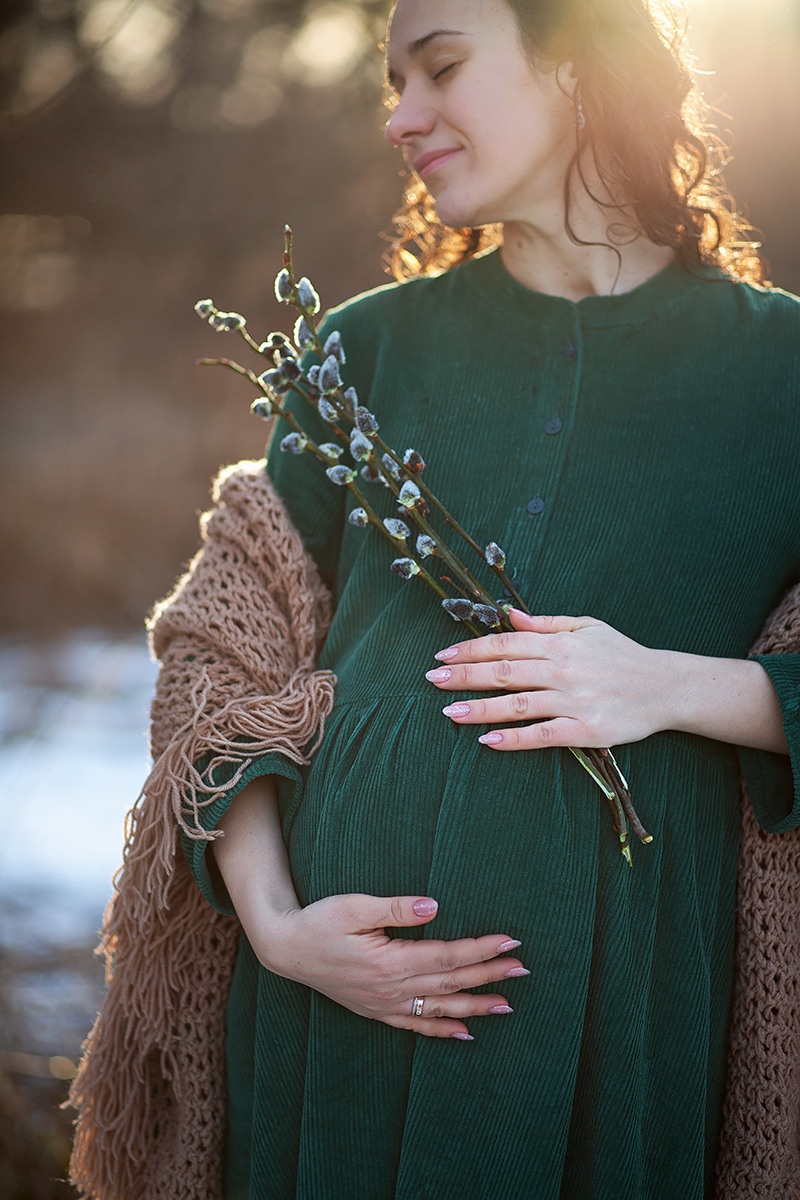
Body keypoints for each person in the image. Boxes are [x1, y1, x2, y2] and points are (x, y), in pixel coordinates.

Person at [69, 1, 800, 1198]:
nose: (401, 118)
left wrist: (661, 685)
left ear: (576, 65)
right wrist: (278, 929)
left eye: (441, 68)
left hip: (618, 1018)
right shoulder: (356, 353)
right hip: (327, 1018)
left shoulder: (777, 371)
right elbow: (218, 660)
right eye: (391, 83)